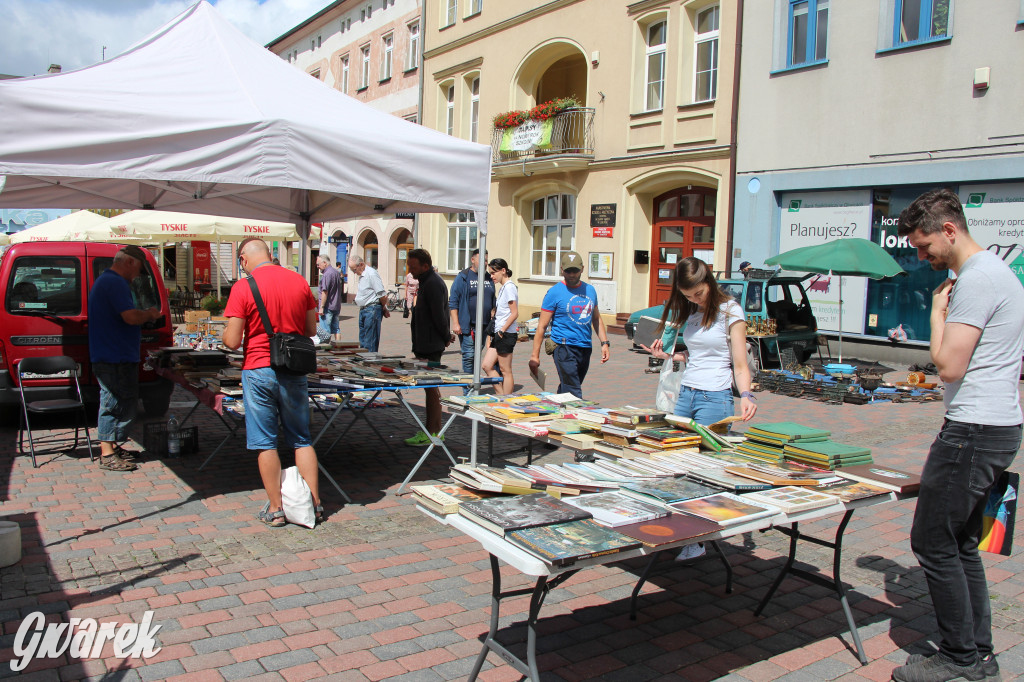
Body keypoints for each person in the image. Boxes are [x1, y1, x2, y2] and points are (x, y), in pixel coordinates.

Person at [890, 189, 1023, 682]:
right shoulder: (993, 274)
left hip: (975, 429)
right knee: (962, 543)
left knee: (932, 541)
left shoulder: (979, 279)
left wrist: (937, 314)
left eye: (925, 246)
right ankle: (978, 654)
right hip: (992, 425)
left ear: (950, 230)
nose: (922, 257)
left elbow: (948, 365)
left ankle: (958, 657)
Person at [223, 238, 322, 528]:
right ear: (270, 254)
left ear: (243, 259)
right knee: (301, 438)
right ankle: (314, 504)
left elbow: (231, 341)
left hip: (258, 368)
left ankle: (277, 509)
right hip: (292, 367)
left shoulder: (244, 286)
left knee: (265, 442)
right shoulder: (299, 282)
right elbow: (310, 330)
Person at [644, 257, 757, 425]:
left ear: (709, 282)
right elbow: (698, 354)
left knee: (708, 450)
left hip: (715, 396)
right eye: (688, 296)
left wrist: (746, 395)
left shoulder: (730, 311)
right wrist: (668, 356)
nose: (695, 299)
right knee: (680, 447)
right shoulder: (692, 312)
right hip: (686, 393)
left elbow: (740, 366)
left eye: (699, 293)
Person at [88, 245, 162, 472]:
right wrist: (149, 314)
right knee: (113, 400)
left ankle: (111, 447)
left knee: (120, 400)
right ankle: (107, 453)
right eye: (139, 269)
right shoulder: (114, 282)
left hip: (115, 353)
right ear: (130, 261)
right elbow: (129, 317)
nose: (138, 276)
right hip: (113, 355)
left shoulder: (108, 281)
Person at [528, 251, 610, 398]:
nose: (572, 275)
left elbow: (596, 319)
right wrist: (535, 356)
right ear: (562, 270)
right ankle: (576, 418)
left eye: (575, 271)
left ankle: (556, 413)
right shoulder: (554, 292)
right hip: (563, 347)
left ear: (582, 269)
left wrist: (604, 343)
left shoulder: (590, 290)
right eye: (568, 271)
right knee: (573, 390)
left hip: (585, 347)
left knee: (569, 387)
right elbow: (542, 326)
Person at [404, 249, 452, 446]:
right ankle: (433, 430)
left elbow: (439, 316)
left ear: (425, 266)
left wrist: (446, 336)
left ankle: (433, 431)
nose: (410, 270)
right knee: (429, 388)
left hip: (431, 344)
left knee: (431, 388)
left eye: (413, 266)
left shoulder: (432, 283)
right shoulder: (427, 280)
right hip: (426, 342)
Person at [449, 249, 495, 389]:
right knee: (469, 357)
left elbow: (492, 298)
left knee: (476, 357)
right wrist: (456, 323)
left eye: (486, 260)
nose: (485, 263)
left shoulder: (488, 277)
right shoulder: (463, 277)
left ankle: (473, 386)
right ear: (473, 260)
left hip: (484, 325)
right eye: (482, 259)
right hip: (468, 325)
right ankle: (467, 391)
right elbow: (453, 301)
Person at [481, 258, 518, 395]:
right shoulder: (504, 288)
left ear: (503, 271)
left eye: (493, 273)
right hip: (499, 332)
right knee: (486, 365)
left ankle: (506, 400)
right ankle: (501, 395)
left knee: (505, 370)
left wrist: (502, 330)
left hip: (506, 333)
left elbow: (514, 313)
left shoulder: (509, 287)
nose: (491, 276)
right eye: (490, 273)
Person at [349, 255, 390, 352]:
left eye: (354, 270)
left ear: (361, 265)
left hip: (372, 309)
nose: (354, 273)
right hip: (364, 309)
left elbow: (382, 295)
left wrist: (383, 307)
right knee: (363, 341)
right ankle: (364, 362)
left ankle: (370, 363)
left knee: (370, 342)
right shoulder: (363, 275)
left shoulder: (371, 274)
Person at [315, 255, 342, 342]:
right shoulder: (335, 272)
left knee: (325, 331)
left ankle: (326, 350)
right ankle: (338, 346)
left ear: (325, 263)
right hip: (336, 305)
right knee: (336, 329)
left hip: (328, 306)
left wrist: (322, 307)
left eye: (318, 264)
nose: (317, 266)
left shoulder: (327, 274)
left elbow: (325, 291)